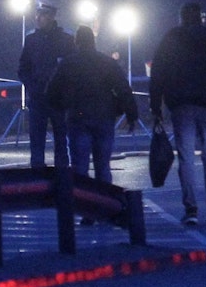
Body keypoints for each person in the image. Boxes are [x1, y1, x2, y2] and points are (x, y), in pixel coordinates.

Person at [149, 2, 206, 225]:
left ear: (181, 17)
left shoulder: (171, 39)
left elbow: (158, 74)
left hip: (181, 106)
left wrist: (156, 108)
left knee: (186, 158)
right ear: (200, 17)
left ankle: (191, 209)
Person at [46, 26, 139, 187]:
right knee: (103, 166)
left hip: (78, 118)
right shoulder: (106, 62)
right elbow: (123, 89)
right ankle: (105, 205)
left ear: (77, 42)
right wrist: (131, 114)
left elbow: (52, 92)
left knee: (80, 167)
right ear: (93, 41)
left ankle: (84, 204)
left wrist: (62, 109)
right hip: (104, 117)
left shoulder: (68, 64)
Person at [16, 2, 74, 169]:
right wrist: (31, 87)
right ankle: (37, 175)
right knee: (36, 139)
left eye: (42, 15)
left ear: (52, 16)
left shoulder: (66, 39)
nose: (38, 18)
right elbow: (23, 68)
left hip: (59, 99)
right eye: (37, 14)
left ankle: (62, 176)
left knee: (61, 139)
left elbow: (72, 67)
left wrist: (65, 90)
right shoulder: (31, 39)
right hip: (38, 97)